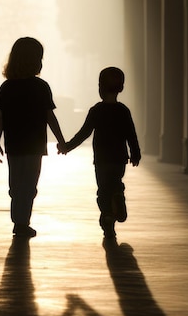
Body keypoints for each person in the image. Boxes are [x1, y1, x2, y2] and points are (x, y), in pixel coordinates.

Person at [0, 37, 66, 238]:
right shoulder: (41, 87)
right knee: (29, 185)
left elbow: (1, 118)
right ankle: (23, 221)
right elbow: (50, 117)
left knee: (15, 184)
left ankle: (19, 221)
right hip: (35, 145)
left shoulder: (7, 87)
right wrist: (61, 140)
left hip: (14, 144)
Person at [59, 67, 141, 239]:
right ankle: (118, 196)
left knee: (103, 189)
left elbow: (84, 133)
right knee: (116, 181)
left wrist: (67, 146)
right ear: (121, 88)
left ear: (100, 88)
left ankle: (108, 217)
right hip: (119, 159)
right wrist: (135, 153)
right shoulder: (123, 111)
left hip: (102, 160)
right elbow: (130, 134)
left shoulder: (96, 110)